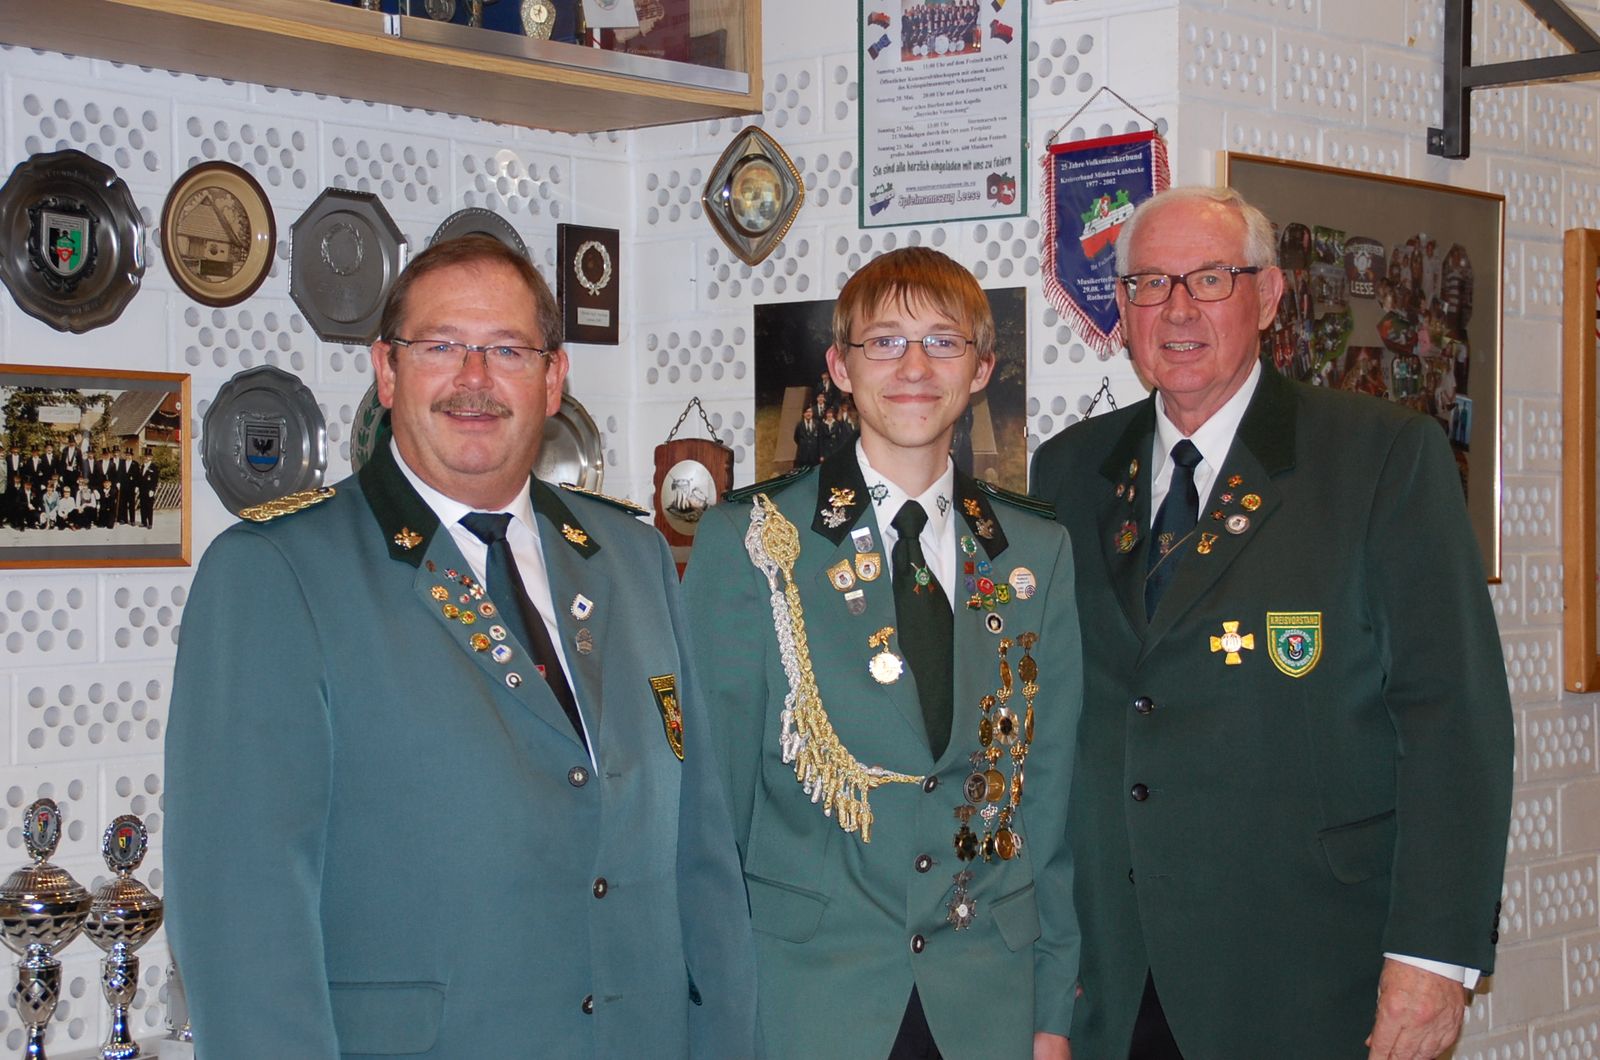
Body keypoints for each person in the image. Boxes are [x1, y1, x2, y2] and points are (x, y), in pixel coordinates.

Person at [165, 234, 759, 1058]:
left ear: (553, 379)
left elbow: (701, 856)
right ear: (387, 370)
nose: (474, 379)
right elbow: (241, 915)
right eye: (441, 346)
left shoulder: (633, 557)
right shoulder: (277, 572)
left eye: (508, 350)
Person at [1029, 186, 1513, 1059]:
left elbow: (1453, 717)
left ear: (1270, 296)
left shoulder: (1380, 458)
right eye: (1149, 283)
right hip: (1112, 975)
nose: (1178, 309)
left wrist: (1433, 957)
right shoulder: (1070, 471)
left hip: (1307, 970)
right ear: (1123, 309)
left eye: (1210, 279)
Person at [684, 246, 1082, 1059]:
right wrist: (715, 1013)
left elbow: (1045, 801)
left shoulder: (1033, 551)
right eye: (885, 342)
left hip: (988, 997)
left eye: (943, 342)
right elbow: (711, 812)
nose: (914, 367)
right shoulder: (756, 542)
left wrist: (1052, 1007)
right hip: (808, 997)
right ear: (839, 366)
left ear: (981, 369)